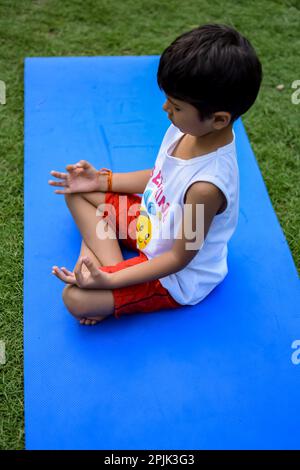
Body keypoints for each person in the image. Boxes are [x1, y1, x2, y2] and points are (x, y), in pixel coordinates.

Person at [48, 23, 262, 325]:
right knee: (78, 190)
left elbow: (177, 259)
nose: (165, 108)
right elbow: (160, 176)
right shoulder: (186, 129)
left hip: (173, 276)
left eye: (175, 106)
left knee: (75, 298)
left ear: (218, 119)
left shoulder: (206, 189)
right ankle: (114, 265)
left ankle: (109, 269)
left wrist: (108, 282)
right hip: (150, 226)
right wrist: (102, 181)